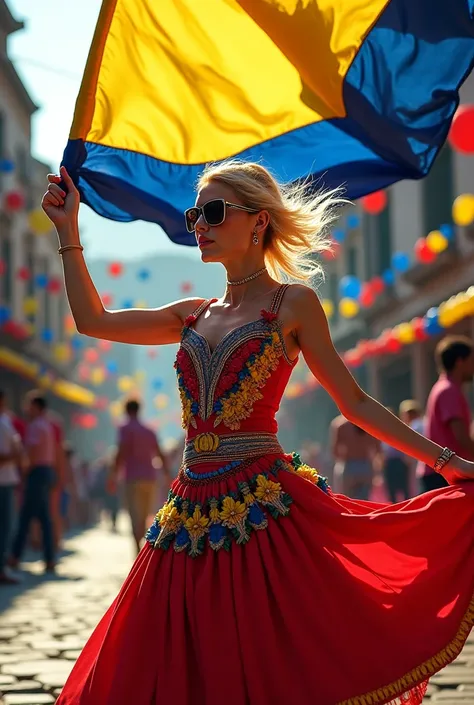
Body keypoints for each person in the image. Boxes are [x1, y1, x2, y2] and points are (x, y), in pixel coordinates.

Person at [45, 162, 474, 705]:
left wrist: (443, 460)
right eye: (195, 214)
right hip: (187, 511)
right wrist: (68, 233)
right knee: (179, 654)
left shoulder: (291, 305)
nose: (199, 224)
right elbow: (94, 321)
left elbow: (356, 402)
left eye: (214, 212)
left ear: (258, 221)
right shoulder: (192, 315)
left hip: (264, 507)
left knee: (272, 652)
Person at [111, 399, 171, 554]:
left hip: (132, 477)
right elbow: (159, 451)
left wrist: (112, 474)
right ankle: (145, 546)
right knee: (145, 515)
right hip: (150, 477)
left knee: (134, 514)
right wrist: (166, 472)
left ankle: (138, 549)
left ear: (126, 411)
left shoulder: (124, 428)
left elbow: (121, 451)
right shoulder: (149, 430)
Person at [418, 336, 474, 494]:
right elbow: (461, 437)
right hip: (442, 474)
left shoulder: (444, 387)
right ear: (460, 362)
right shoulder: (449, 390)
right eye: (471, 360)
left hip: (440, 472)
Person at [9, 391, 56, 573]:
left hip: (37, 472)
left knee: (26, 515)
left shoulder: (36, 426)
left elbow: (32, 452)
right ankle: (48, 557)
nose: (27, 408)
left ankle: (15, 555)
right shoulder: (47, 425)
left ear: (36, 407)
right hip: (46, 471)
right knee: (42, 517)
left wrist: (24, 471)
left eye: (29, 405)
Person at [0, 391, 22, 585]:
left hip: (7, 480)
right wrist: (16, 454)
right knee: (5, 526)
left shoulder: (5, 420)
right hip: (3, 481)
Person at [330, 415, 380, 499]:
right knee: (364, 500)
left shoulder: (340, 424)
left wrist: (341, 461)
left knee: (347, 500)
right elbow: (378, 448)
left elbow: (334, 450)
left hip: (349, 466)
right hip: (366, 466)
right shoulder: (370, 424)